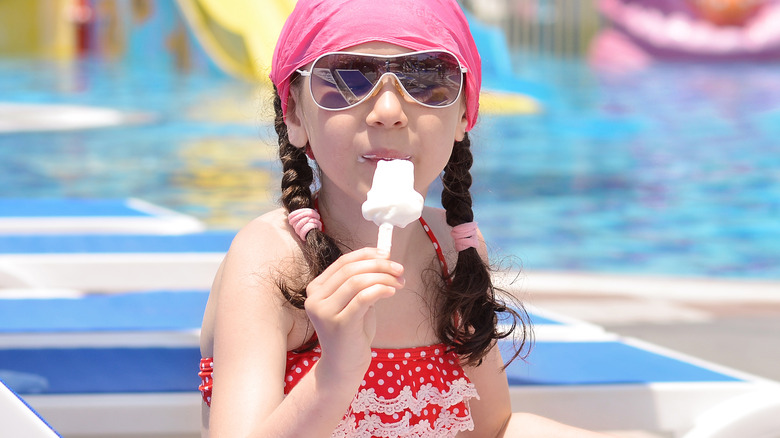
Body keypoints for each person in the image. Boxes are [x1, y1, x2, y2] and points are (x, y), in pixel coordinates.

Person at [198, 0, 613, 436]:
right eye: (348, 78)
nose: (389, 111)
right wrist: (335, 375)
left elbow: (492, 429)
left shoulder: (452, 250)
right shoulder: (271, 259)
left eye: (427, 77)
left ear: (462, 116)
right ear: (295, 115)